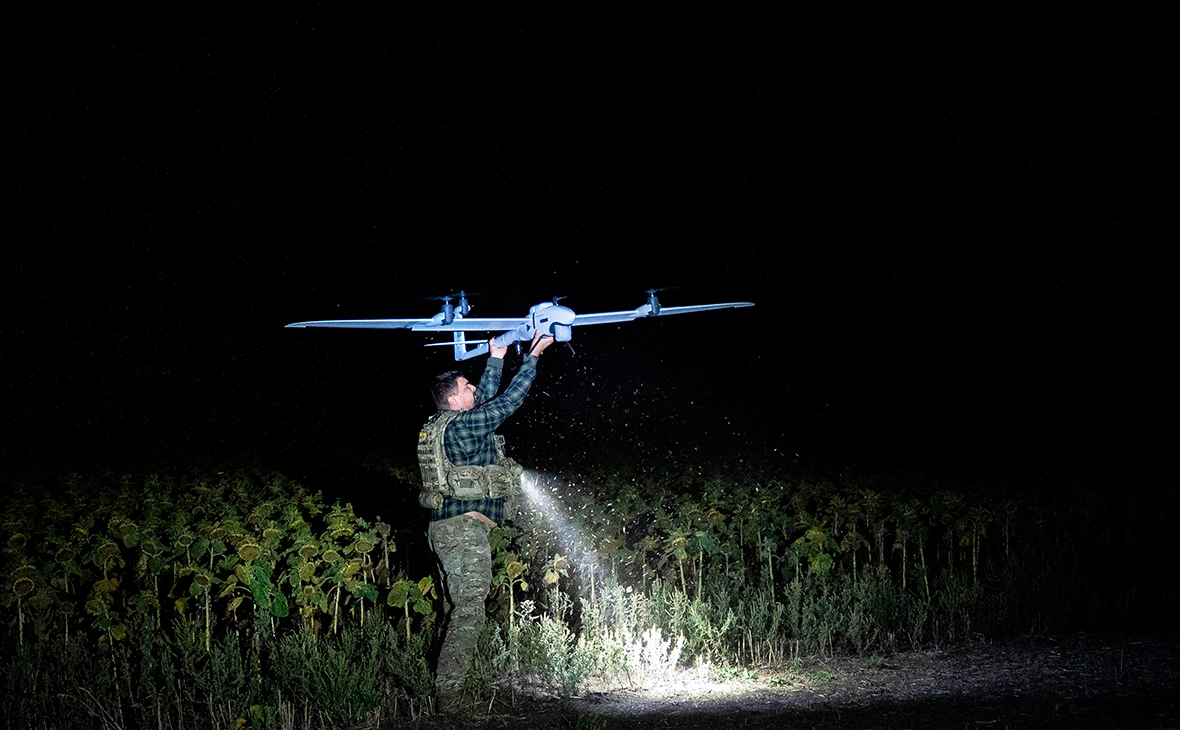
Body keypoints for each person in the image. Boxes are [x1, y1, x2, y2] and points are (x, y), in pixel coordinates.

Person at [417, 330, 555, 710]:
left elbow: (488, 403)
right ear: (453, 398)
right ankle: (449, 696)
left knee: (458, 608)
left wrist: (496, 357)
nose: (473, 387)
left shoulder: (448, 424)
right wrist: (533, 357)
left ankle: (450, 684)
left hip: (448, 528)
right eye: (467, 385)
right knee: (470, 609)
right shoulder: (461, 426)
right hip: (461, 530)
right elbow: (506, 403)